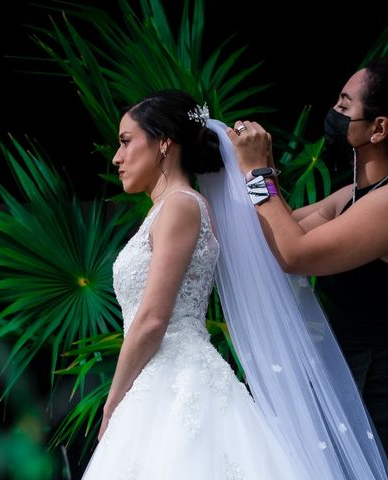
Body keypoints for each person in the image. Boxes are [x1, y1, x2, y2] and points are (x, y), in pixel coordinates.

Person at [228, 41, 388, 479]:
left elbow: (294, 253)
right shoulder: (352, 198)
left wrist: (258, 174)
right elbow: (272, 232)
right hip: (364, 393)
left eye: (344, 104)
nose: (334, 112)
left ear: (378, 129)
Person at [81, 89, 303, 479]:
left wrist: (113, 400)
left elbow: (151, 320)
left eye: (126, 142)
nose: (117, 158)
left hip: (177, 380)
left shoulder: (180, 206)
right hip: (160, 379)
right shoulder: (171, 209)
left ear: (164, 141)